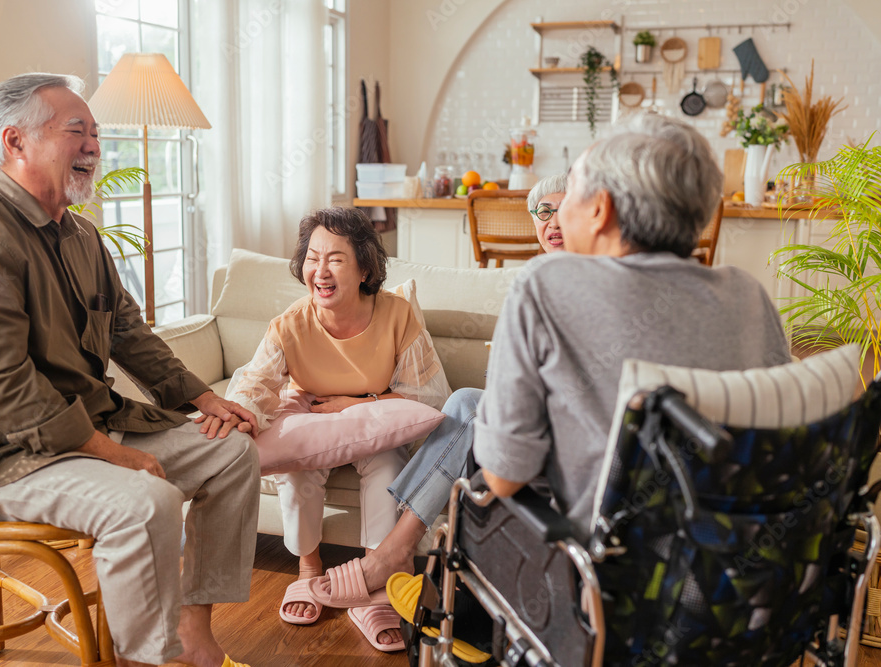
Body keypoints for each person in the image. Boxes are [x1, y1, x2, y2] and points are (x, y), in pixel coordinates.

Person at [310, 114, 793, 604]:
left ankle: (412, 565)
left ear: (600, 209)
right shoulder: (749, 296)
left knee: (476, 425)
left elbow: (502, 473)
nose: (555, 219)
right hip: (731, 578)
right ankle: (397, 551)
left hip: (595, 577)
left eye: (573, 197)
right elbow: (779, 436)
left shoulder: (545, 288)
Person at [0, 73, 260, 667]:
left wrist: (204, 399)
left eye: (95, 132)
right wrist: (113, 454)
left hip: (80, 434)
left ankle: (194, 634)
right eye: (78, 131)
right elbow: (5, 389)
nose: (95, 144)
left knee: (232, 454)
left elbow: (126, 330)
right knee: (145, 502)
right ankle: (151, 659)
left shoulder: (79, 233)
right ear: (15, 142)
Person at [305, 173, 569, 607]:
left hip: (568, 422)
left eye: (564, 210)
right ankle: (397, 550)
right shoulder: (534, 280)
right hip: (529, 413)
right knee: (465, 402)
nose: (552, 221)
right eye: (543, 211)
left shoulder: (594, 280)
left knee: (468, 405)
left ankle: (392, 552)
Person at [218, 207, 451, 646]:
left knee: (387, 468)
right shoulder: (289, 324)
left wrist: (355, 404)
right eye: (312, 257)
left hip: (374, 417)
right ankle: (309, 569)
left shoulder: (397, 314)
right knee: (297, 466)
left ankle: (374, 582)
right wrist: (234, 419)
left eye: (336, 259)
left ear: (365, 267)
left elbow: (430, 395)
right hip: (309, 413)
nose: (319, 271)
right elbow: (256, 383)